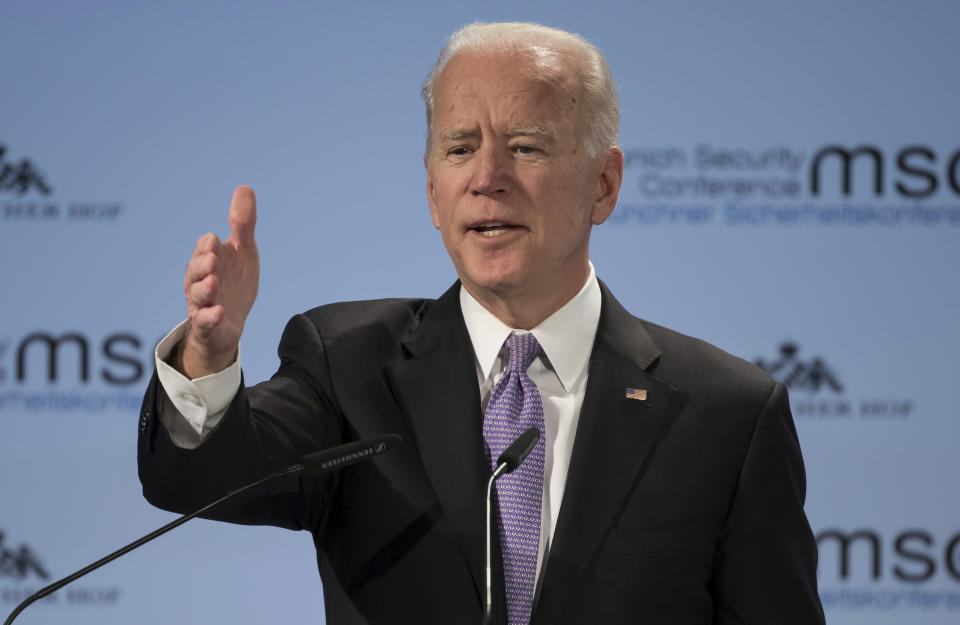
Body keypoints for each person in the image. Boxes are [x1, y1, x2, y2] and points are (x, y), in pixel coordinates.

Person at [138, 22, 825, 625]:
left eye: (525, 147)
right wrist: (210, 353)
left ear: (604, 184)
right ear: (432, 190)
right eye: (460, 148)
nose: (487, 177)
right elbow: (201, 478)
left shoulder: (727, 416)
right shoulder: (346, 366)